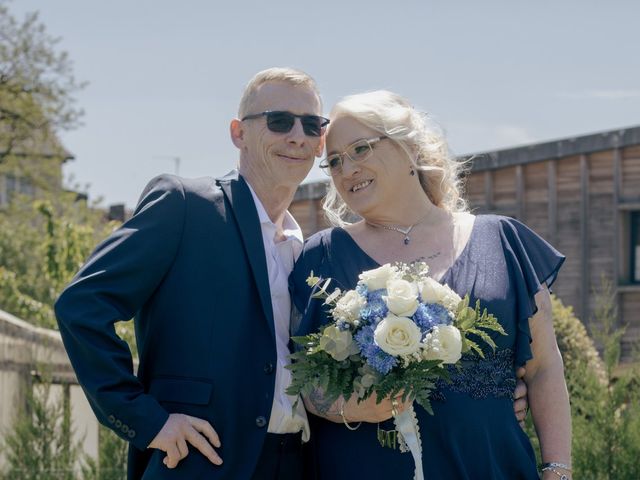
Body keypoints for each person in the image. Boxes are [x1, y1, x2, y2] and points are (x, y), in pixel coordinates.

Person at [54, 67, 328, 479]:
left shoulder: (307, 249)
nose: (297, 136)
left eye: (312, 125)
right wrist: (148, 420)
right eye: (279, 121)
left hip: (296, 462)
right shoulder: (185, 205)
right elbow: (81, 307)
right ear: (239, 133)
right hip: (199, 461)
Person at [289, 90, 572, 480]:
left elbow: (544, 368)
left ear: (408, 147)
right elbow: (301, 379)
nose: (346, 168)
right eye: (334, 161)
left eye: (360, 149)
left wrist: (557, 469)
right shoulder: (320, 256)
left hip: (488, 466)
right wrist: (352, 407)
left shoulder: (502, 241)